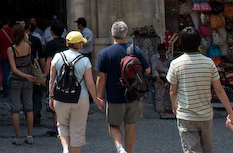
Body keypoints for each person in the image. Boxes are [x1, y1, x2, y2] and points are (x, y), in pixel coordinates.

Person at [166, 26, 233, 153]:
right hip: (205, 115)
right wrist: (230, 111)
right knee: (207, 149)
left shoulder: (176, 64)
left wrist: (174, 106)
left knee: (191, 150)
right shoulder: (209, 63)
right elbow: (219, 89)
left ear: (180, 43)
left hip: (186, 115)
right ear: (199, 43)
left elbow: (172, 91)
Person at [95, 20, 151, 153]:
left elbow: (101, 78)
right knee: (131, 127)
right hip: (133, 94)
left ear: (112, 34)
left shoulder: (105, 53)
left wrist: (99, 96)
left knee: (113, 125)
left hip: (115, 96)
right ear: (126, 34)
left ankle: (120, 148)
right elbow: (147, 70)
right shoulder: (134, 50)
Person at [49, 31, 104, 153]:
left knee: (62, 124)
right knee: (77, 128)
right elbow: (90, 83)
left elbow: (52, 80)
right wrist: (95, 99)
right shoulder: (85, 60)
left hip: (60, 96)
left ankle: (65, 149)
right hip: (80, 97)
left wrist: (51, 97)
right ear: (79, 44)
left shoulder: (57, 57)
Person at [7, 24, 36, 145]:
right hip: (28, 77)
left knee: (15, 109)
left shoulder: (11, 49)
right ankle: (30, 135)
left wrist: (23, 75)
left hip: (16, 79)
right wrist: (28, 75)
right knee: (29, 108)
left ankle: (17, 137)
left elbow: (14, 69)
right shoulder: (29, 46)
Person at [43, 19, 67, 137]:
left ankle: (57, 126)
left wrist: (45, 75)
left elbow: (48, 61)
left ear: (52, 31)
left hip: (55, 74)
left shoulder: (51, 44)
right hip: (67, 73)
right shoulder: (67, 43)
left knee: (53, 99)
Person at [26, 19, 45, 125]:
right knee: (37, 92)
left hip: (22, 68)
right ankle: (36, 111)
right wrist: (43, 73)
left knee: (26, 93)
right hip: (35, 66)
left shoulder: (18, 41)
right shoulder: (36, 40)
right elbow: (41, 57)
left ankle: (28, 113)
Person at [150, 43, 173, 117]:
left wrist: (162, 70)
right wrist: (157, 77)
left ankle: (169, 108)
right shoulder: (154, 57)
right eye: (160, 52)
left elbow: (171, 69)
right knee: (159, 94)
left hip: (168, 77)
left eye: (163, 52)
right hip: (159, 77)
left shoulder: (170, 58)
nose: (162, 54)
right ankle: (160, 109)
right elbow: (154, 69)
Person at [0, 17, 14, 98]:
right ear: (9, 21)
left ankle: (6, 92)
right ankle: (14, 91)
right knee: (14, 73)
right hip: (13, 55)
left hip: (3, 55)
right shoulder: (13, 30)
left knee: (5, 74)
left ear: (0, 22)